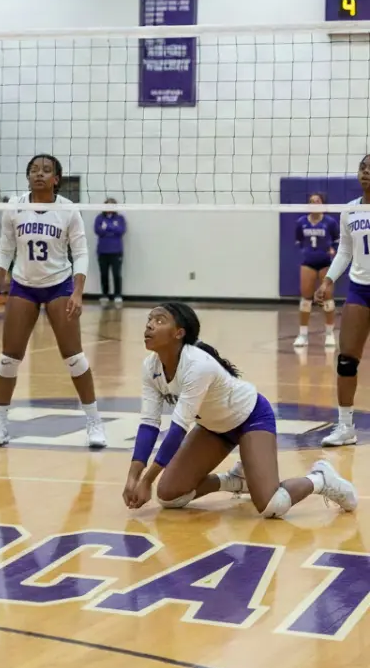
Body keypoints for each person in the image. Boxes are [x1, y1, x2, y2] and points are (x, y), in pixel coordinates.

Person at [122, 302, 356, 518]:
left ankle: (320, 478)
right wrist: (133, 478)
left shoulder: (196, 365)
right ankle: (235, 480)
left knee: (272, 505)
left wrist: (147, 480)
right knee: (169, 496)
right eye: (149, 320)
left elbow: (177, 430)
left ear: (179, 333)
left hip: (250, 418)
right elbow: (149, 424)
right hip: (214, 427)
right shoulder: (150, 367)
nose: (149, 325)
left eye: (160, 320)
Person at [0, 153, 106, 449]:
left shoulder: (68, 210)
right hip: (23, 286)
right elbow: (5, 250)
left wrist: (77, 291)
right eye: (34, 170)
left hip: (59, 285)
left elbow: (80, 253)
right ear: (28, 177)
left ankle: (94, 422)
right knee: (8, 358)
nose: (39, 173)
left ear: (56, 179)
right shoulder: (15, 207)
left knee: (74, 357)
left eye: (46, 170)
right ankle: (0, 423)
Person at [316, 155, 370, 447]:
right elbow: (345, 251)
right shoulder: (349, 210)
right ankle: (346, 427)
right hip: (360, 290)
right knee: (347, 359)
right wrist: (328, 280)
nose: (366, 172)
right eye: (363, 168)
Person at [293, 193, 339, 349]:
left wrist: (333, 250)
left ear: (323, 204)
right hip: (308, 263)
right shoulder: (301, 222)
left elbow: (337, 241)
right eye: (311, 201)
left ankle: (329, 334)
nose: (314, 203)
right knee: (306, 299)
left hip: (326, 263)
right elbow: (299, 241)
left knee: (327, 299)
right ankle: (303, 335)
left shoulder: (330, 222)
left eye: (317, 201)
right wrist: (306, 252)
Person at [94, 197, 126, 309]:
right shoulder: (99, 218)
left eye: (112, 206)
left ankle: (118, 295)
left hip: (116, 251)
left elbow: (121, 231)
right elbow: (98, 231)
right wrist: (112, 229)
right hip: (103, 251)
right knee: (104, 274)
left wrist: (107, 228)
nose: (109, 208)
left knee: (117, 274)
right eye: (107, 205)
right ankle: (105, 294)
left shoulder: (120, 218)